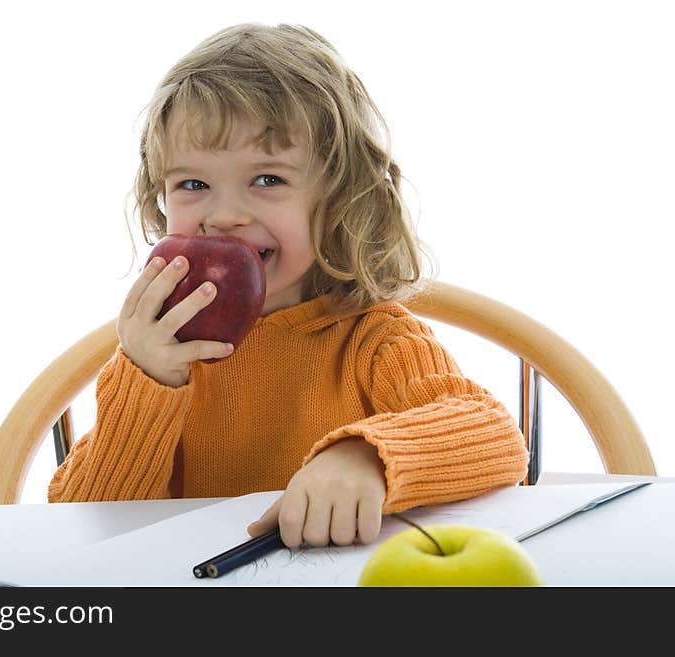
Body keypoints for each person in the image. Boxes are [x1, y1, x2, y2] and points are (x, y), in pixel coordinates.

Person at [48, 23, 528, 549]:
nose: (224, 216)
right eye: (192, 184)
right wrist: (149, 380)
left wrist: (365, 455)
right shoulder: (162, 353)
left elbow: (495, 435)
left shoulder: (375, 340)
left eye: (267, 179)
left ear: (340, 198)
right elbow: (85, 524)